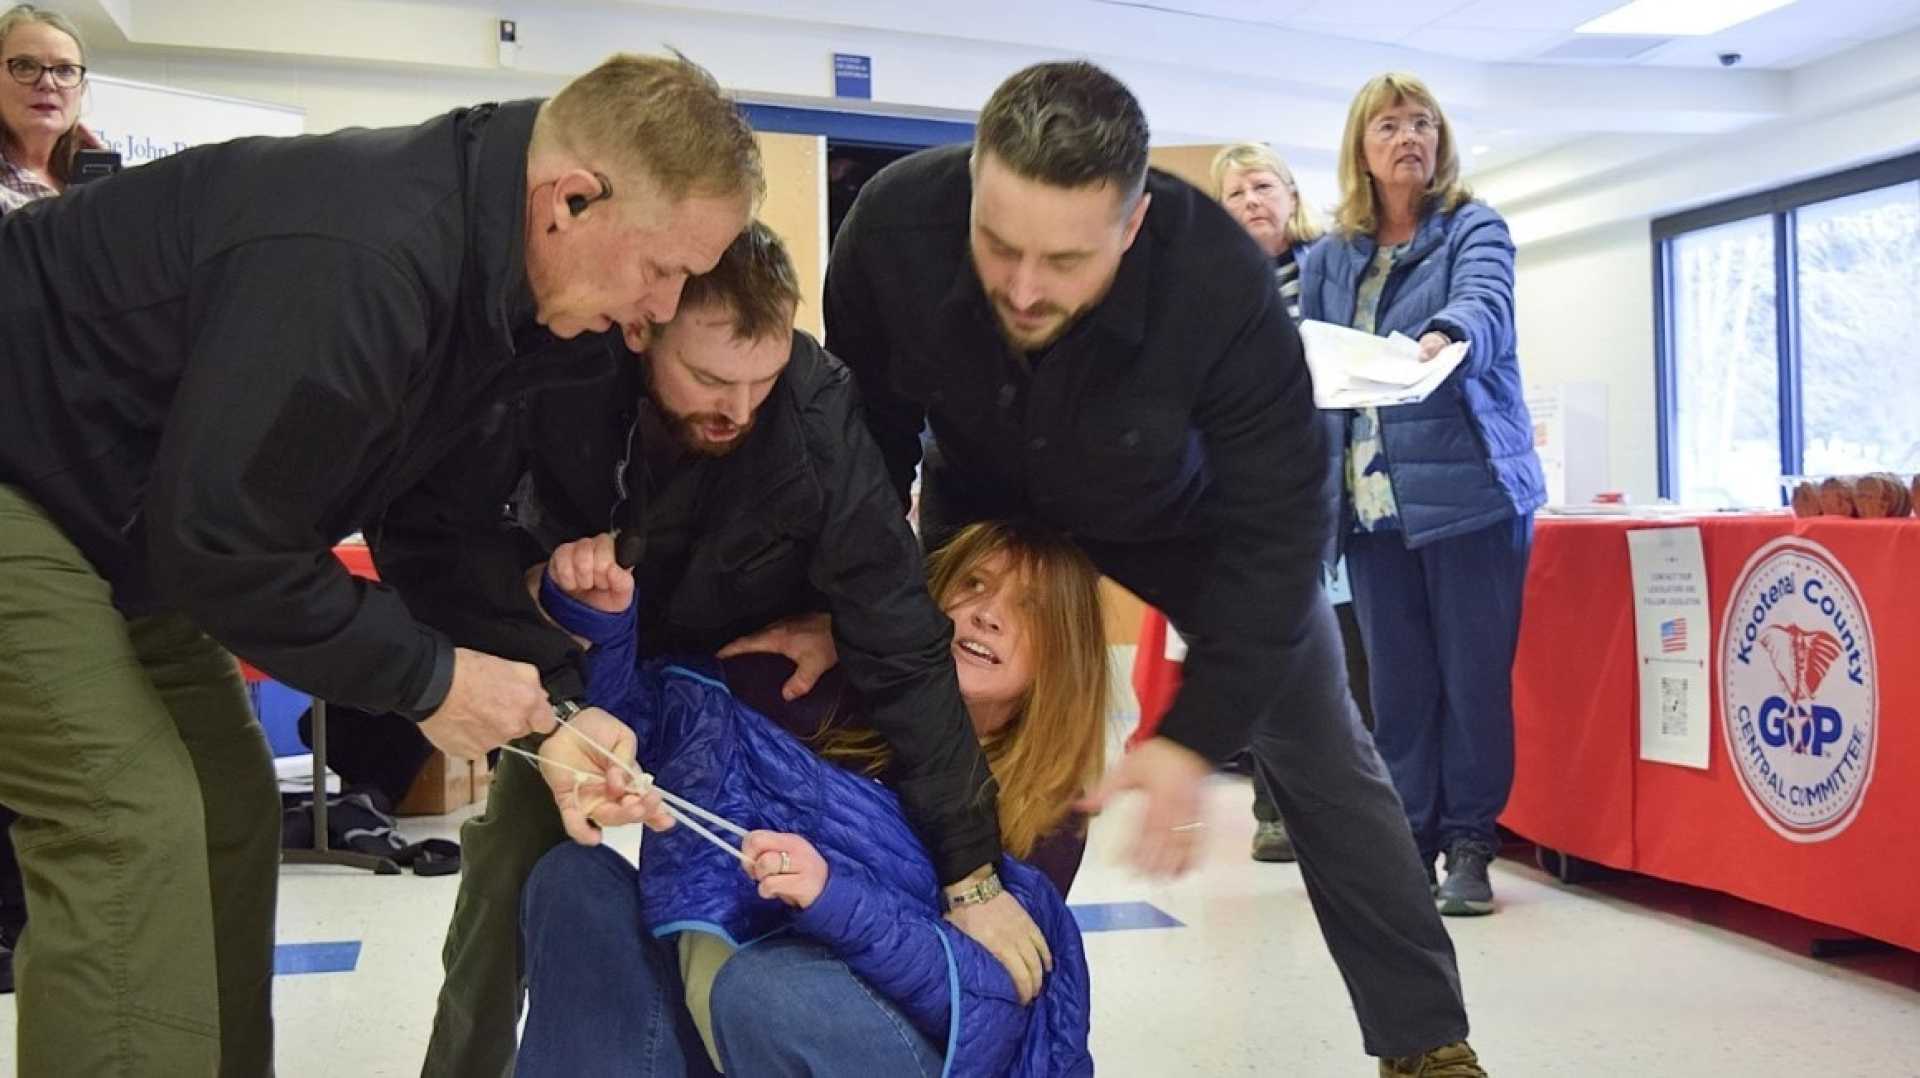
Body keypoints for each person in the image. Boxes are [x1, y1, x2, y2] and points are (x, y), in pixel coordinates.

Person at [0, 51, 757, 1075]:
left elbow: (434, 531)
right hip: (27, 483)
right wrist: (429, 679)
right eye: (661, 269)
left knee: (227, 801)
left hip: (116, 519)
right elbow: (221, 540)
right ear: (570, 200)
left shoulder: (495, 295)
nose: (660, 310)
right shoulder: (372, 255)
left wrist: (561, 705)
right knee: (128, 819)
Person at [826, 60, 1486, 1076]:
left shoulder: (1217, 279)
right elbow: (865, 445)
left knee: (1318, 738)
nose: (1024, 286)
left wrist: (1193, 734)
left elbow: (1278, 529)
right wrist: (853, 602)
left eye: (1063, 259)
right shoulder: (891, 227)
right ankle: (925, 983)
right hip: (988, 490)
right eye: (998, 246)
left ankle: (1427, 1045)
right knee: (920, 698)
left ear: (1131, 228)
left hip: (1188, 515)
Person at [372, 223, 1053, 1078]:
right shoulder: (560, 372)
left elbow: (899, 631)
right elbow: (451, 538)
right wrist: (550, 615)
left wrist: (972, 877)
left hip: (743, 682)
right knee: (518, 849)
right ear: (642, 327)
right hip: (583, 655)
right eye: (707, 379)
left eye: (760, 380)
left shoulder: (813, 407)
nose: (736, 409)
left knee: (786, 886)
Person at [516, 521, 1107, 1076]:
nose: (986, 614)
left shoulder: (1049, 806)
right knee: (574, 880)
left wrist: (833, 897)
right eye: (972, 585)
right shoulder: (811, 687)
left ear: (1064, 652)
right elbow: (642, 726)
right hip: (722, 1015)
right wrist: (606, 625)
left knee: (773, 990)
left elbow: (996, 1001)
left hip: (882, 1040)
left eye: (1028, 608)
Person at [1299, 73, 1543, 921]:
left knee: (1471, 682)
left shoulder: (1471, 227)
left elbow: (1488, 303)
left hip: (1469, 495)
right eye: (1389, 125)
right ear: (1361, 149)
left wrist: (1450, 333)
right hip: (1368, 510)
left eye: (1423, 123)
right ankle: (1408, 840)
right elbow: (1310, 357)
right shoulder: (1329, 257)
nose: (1409, 137)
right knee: (1397, 689)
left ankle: (1471, 844)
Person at [1212, 139, 1378, 864]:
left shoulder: (1333, 268)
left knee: (1348, 654)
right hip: (1250, 497)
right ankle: (1271, 807)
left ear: (1290, 194)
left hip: (1334, 488)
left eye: (1262, 186)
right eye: (1235, 193)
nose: (1251, 202)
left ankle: (1352, 806)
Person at [0, 0, 99, 998]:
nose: (47, 82)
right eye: (26, 64)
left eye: (65, 69)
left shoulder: (93, 186)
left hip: (83, 474)